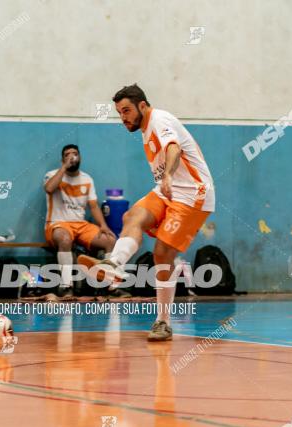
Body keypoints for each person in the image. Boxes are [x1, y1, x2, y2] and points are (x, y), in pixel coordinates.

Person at [79, 84, 214, 341]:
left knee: (162, 253)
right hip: (167, 191)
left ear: (142, 105)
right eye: (119, 112)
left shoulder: (159, 120)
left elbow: (174, 148)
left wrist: (170, 176)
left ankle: (163, 321)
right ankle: (114, 264)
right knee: (131, 216)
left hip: (193, 194)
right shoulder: (144, 128)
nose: (123, 117)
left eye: (126, 110)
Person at [43, 144, 115, 298]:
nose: (72, 157)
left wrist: (103, 225)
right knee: (64, 238)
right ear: (62, 159)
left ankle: (111, 286)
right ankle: (66, 286)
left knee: (109, 240)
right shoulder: (52, 175)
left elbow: (94, 206)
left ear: (80, 157)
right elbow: (49, 189)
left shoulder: (87, 179)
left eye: (75, 154)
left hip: (81, 225)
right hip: (58, 224)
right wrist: (64, 168)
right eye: (67, 154)